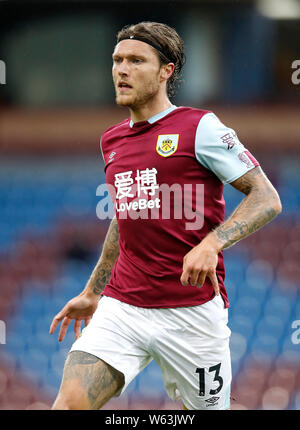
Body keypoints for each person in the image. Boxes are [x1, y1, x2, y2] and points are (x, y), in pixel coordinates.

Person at [49, 21, 282, 410]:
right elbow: (125, 217)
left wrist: (213, 242)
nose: (122, 70)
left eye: (136, 61)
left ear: (166, 71)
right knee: (70, 404)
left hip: (191, 314)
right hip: (123, 308)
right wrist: (94, 291)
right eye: (117, 60)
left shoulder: (200, 128)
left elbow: (266, 198)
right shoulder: (112, 140)